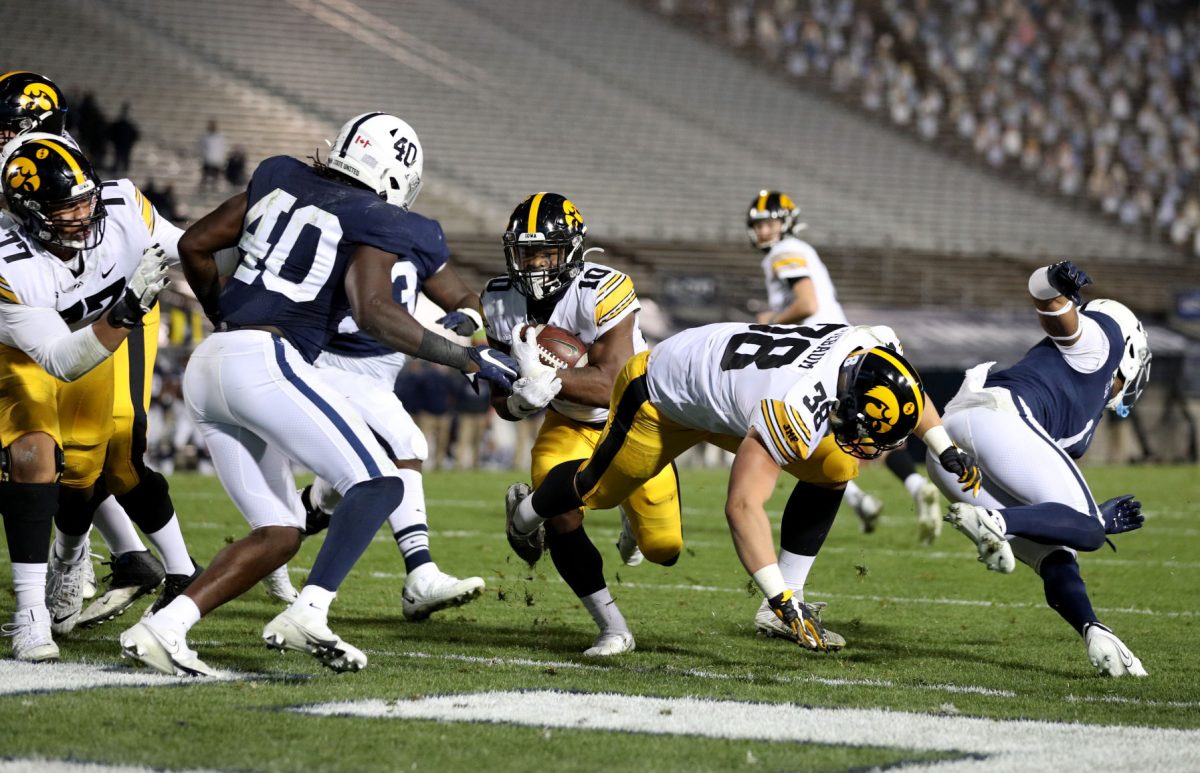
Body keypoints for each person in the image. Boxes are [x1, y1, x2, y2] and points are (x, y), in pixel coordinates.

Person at [120, 112, 521, 676]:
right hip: (266, 361)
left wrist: (224, 314)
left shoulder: (281, 175)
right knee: (381, 480)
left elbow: (195, 244)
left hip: (210, 364)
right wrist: (464, 355)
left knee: (281, 534)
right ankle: (310, 612)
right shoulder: (380, 219)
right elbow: (374, 311)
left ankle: (164, 629)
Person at [506, 318, 982, 652]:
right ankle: (526, 514)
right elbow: (742, 507)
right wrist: (781, 602)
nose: (880, 449)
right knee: (597, 490)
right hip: (661, 397)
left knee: (836, 467)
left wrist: (944, 447)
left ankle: (781, 608)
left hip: (728, 396)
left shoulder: (873, 349)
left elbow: (909, 395)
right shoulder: (793, 405)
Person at [0, 72, 192, 633]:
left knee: (114, 445)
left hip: (110, 305)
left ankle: (113, 560)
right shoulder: (22, 194)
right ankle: (116, 557)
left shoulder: (75, 183)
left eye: (8, 126)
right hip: (36, 318)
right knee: (57, 452)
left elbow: (175, 246)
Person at [929, 261, 1152, 678]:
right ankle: (994, 521)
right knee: (1088, 528)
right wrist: (1053, 281)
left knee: (1057, 551)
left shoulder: (1081, 406)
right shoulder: (1101, 344)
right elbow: (1054, 310)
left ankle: (1094, 630)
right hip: (997, 421)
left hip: (951, 443)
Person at [487, 192, 672, 656]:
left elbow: (615, 380)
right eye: (525, 252)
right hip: (567, 426)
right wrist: (519, 399)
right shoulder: (500, 298)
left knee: (664, 548)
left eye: (544, 252)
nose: (532, 264)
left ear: (569, 251)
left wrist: (547, 376)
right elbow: (499, 402)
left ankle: (628, 510)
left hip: (634, 422)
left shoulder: (601, 289)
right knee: (561, 514)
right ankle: (612, 627)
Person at [294, 192, 489, 623]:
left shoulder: (419, 233)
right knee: (406, 442)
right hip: (323, 361)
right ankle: (420, 574)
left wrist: (471, 321)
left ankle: (276, 538)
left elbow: (465, 298)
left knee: (335, 490)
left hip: (381, 374)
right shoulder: (334, 223)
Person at [747, 190, 943, 543]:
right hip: (845, 345)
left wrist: (770, 320)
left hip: (822, 353)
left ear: (786, 223)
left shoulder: (784, 251)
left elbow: (807, 302)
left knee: (796, 435)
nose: (764, 231)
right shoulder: (796, 251)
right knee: (866, 429)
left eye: (770, 222)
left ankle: (858, 500)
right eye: (760, 224)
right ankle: (911, 487)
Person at [105, 103, 139, 176]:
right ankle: (120, 171)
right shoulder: (124, 125)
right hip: (121, 145)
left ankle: (121, 170)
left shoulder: (126, 126)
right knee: (120, 158)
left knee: (121, 158)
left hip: (122, 145)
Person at [197, 120, 225, 192]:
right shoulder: (205, 136)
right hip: (208, 159)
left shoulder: (219, 136)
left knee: (215, 176)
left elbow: (221, 148)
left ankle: (214, 188)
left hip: (216, 159)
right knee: (205, 175)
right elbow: (201, 147)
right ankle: (203, 188)